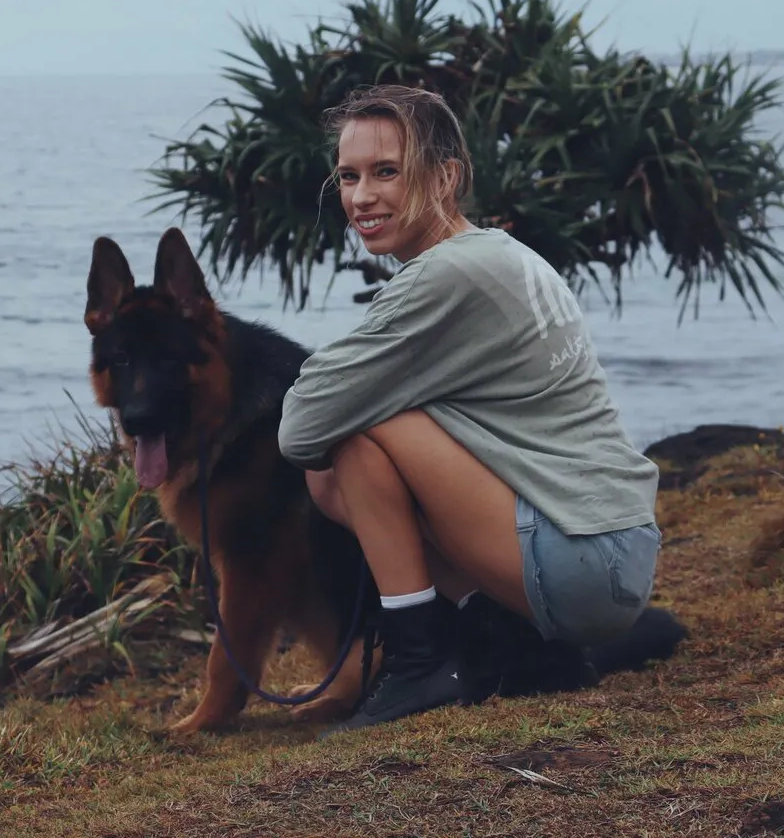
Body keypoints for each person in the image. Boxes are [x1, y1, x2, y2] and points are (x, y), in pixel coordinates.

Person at [278, 83, 662, 733]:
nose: (361, 196)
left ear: (446, 178)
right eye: (348, 176)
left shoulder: (444, 275)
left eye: (387, 172)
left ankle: (421, 660)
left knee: (356, 435)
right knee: (336, 464)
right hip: (612, 550)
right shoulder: (497, 252)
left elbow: (301, 426)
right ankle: (512, 644)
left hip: (582, 558)